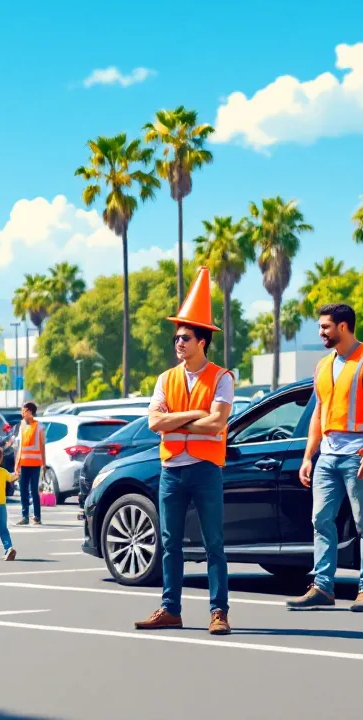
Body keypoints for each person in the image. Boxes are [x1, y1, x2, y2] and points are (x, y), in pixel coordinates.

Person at [134, 267, 234, 637]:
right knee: (170, 544)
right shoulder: (166, 378)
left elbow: (217, 425)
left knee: (213, 545)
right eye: (176, 337)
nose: (178, 343)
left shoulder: (222, 378)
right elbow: (154, 423)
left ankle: (219, 612)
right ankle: (170, 609)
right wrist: (193, 415)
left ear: (202, 341)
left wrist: (176, 421)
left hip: (206, 469)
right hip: (172, 470)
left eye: (185, 337)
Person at [287, 303, 363, 613]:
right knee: (321, 521)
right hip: (328, 457)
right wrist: (309, 456)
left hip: (358, 456)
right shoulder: (323, 365)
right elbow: (318, 412)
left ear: (343, 327)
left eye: (325, 327)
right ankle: (322, 586)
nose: (320, 332)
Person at [14, 402, 45, 526]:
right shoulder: (21, 425)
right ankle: (24, 516)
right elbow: (20, 446)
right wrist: (17, 463)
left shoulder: (39, 426)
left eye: (24, 411)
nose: (22, 413)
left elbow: (42, 446)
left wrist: (44, 463)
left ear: (30, 412)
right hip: (23, 463)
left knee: (34, 490)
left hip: (35, 463)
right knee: (23, 491)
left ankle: (37, 516)